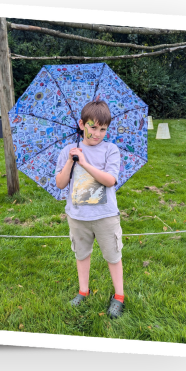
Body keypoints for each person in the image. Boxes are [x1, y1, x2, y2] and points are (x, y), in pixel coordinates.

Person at [54, 99, 126, 318]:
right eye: (93, 127)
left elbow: (110, 180)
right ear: (81, 124)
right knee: (81, 253)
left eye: (103, 129)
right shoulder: (68, 150)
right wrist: (70, 161)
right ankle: (83, 291)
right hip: (78, 216)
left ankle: (119, 296)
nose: (97, 133)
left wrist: (85, 163)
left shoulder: (110, 150)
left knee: (113, 255)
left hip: (105, 216)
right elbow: (60, 183)